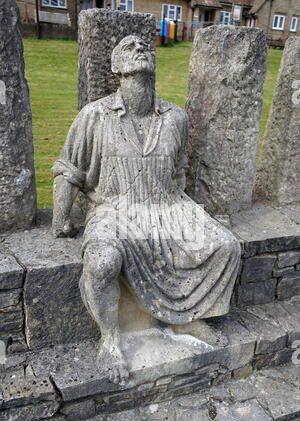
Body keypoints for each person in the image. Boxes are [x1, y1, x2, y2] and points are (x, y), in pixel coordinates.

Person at [52, 35, 241, 386]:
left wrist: (190, 214)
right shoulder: (94, 115)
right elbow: (68, 170)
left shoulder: (175, 117)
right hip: (113, 209)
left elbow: (178, 172)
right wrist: (60, 220)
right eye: (128, 47)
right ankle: (110, 340)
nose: (140, 48)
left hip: (168, 205)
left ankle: (186, 317)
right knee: (102, 262)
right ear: (115, 67)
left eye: (145, 46)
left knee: (227, 246)